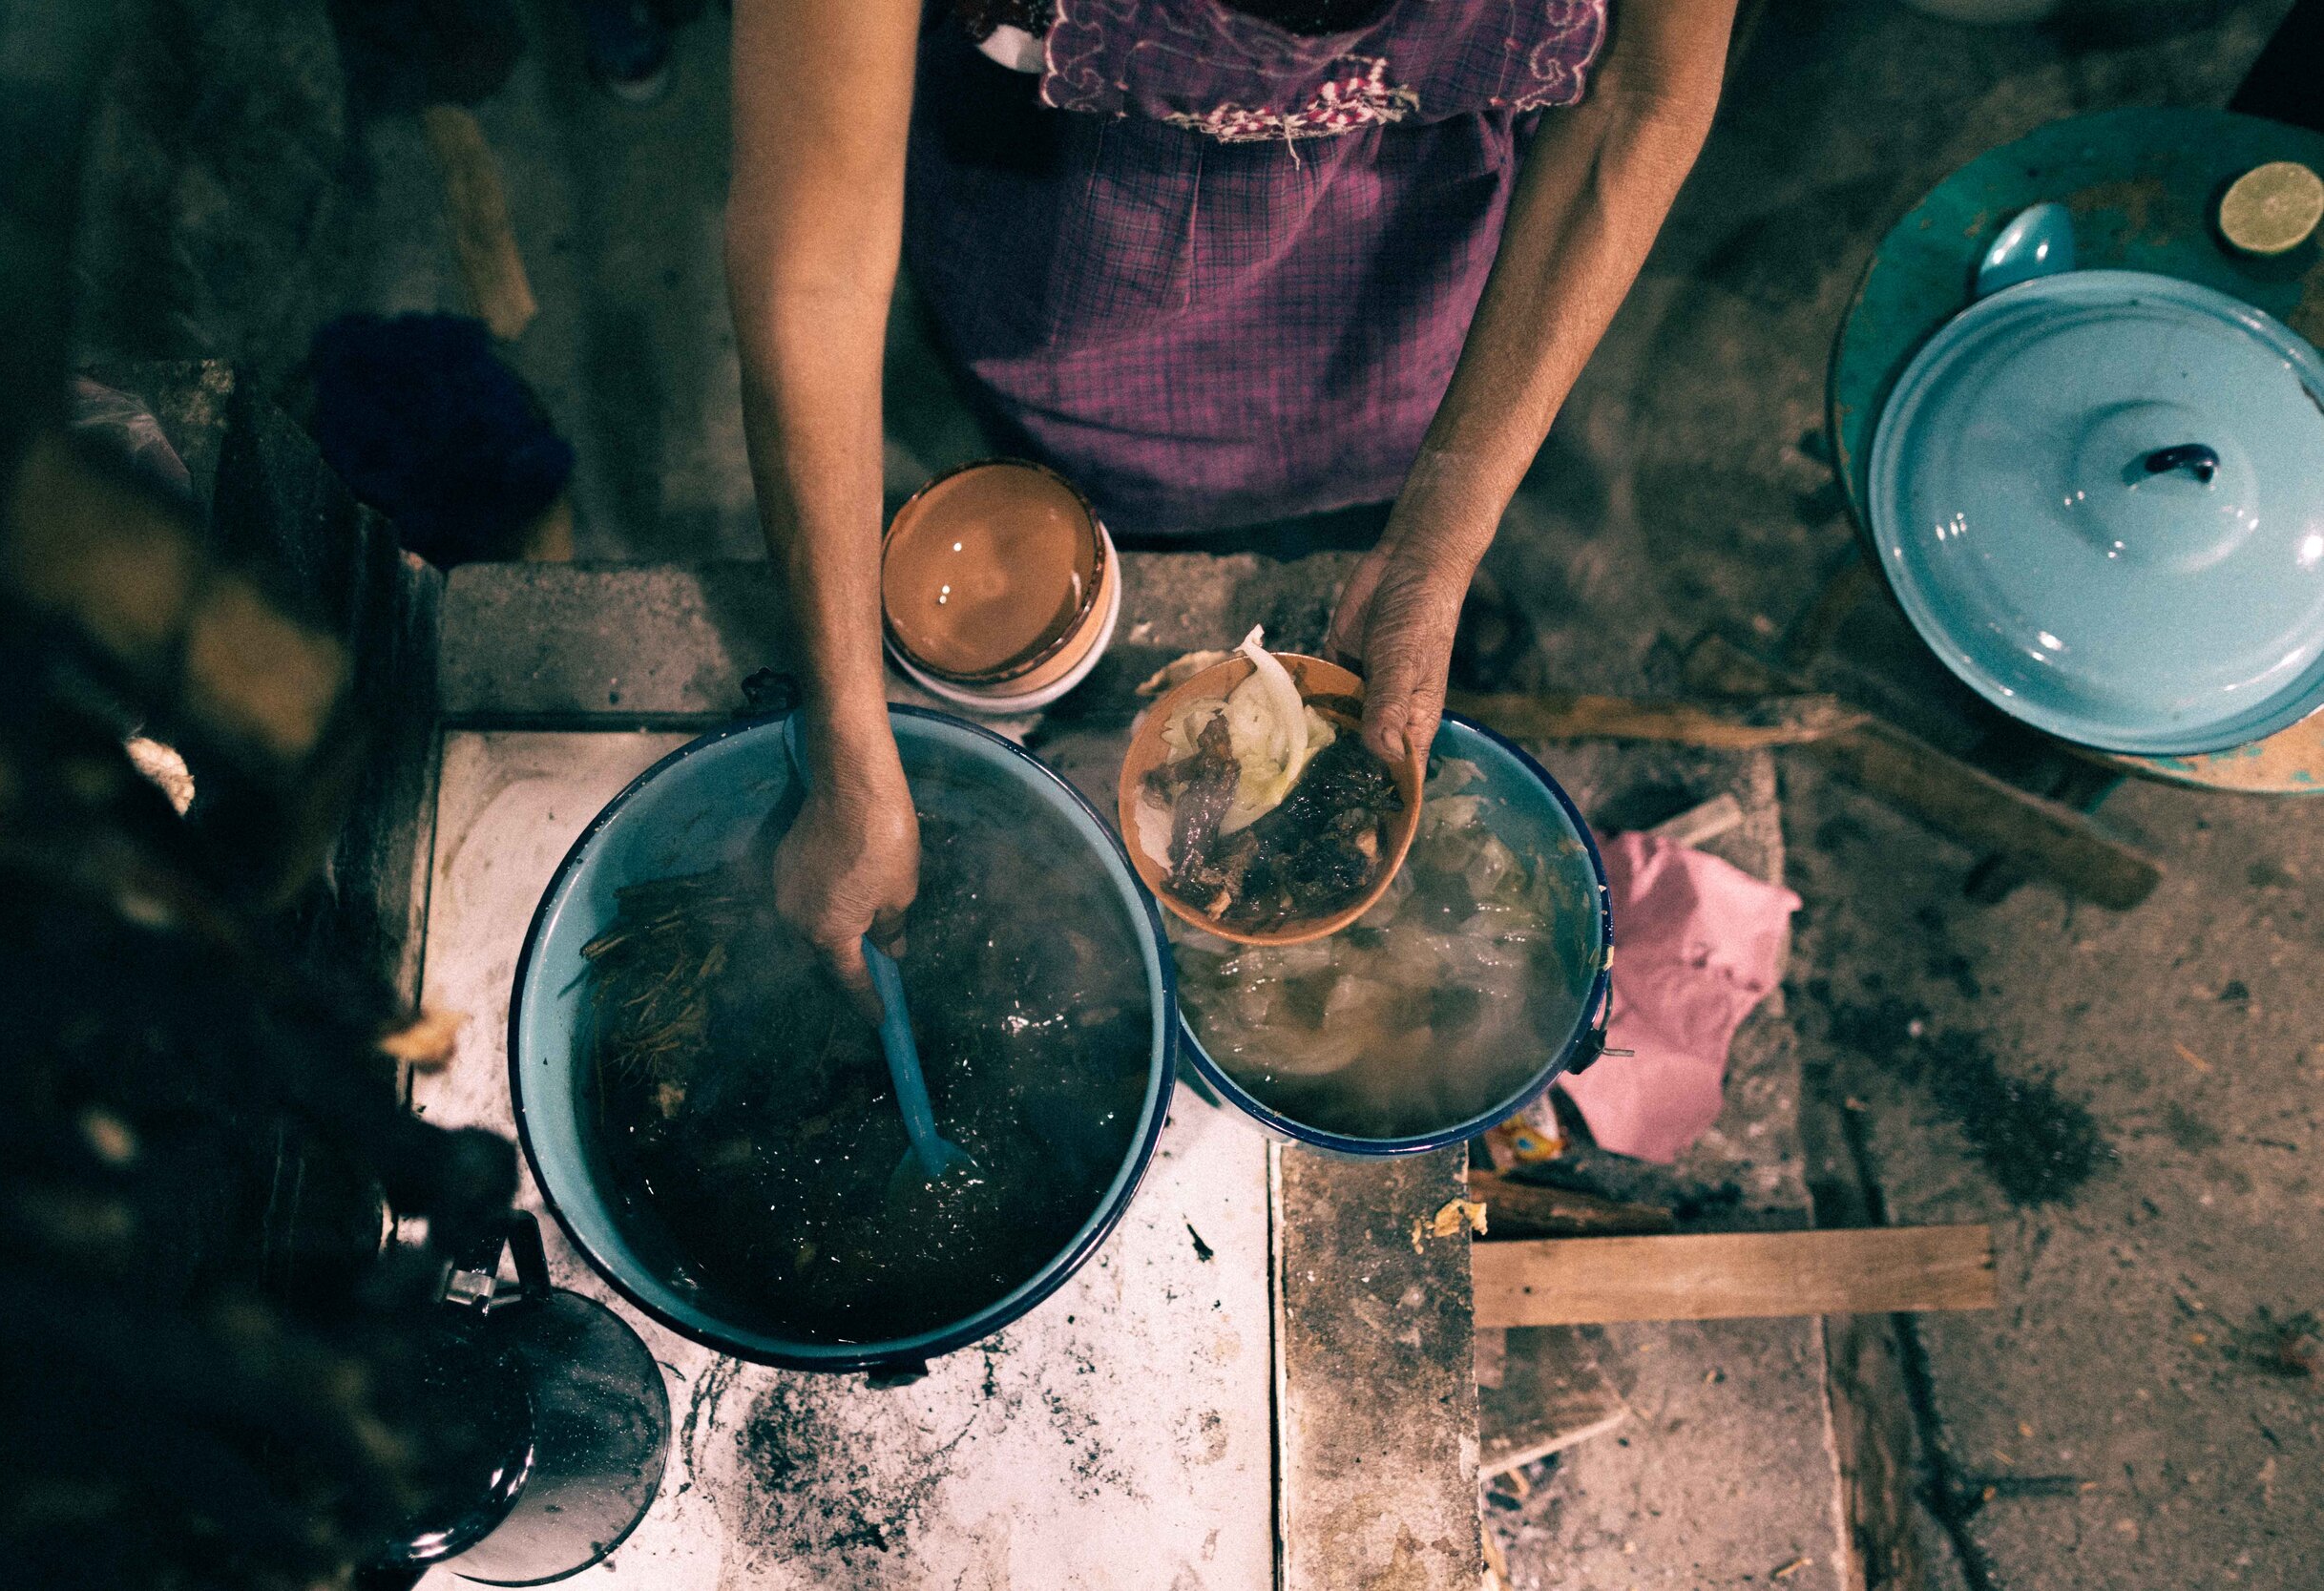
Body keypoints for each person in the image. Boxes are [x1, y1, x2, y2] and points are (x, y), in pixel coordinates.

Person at [724, 0, 1736, 1000]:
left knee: (1359, 484)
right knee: (1112, 522)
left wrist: (1439, 537)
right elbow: (817, 267)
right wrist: (847, 739)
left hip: (1405, 260)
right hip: (1077, 248)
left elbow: (1641, 93)